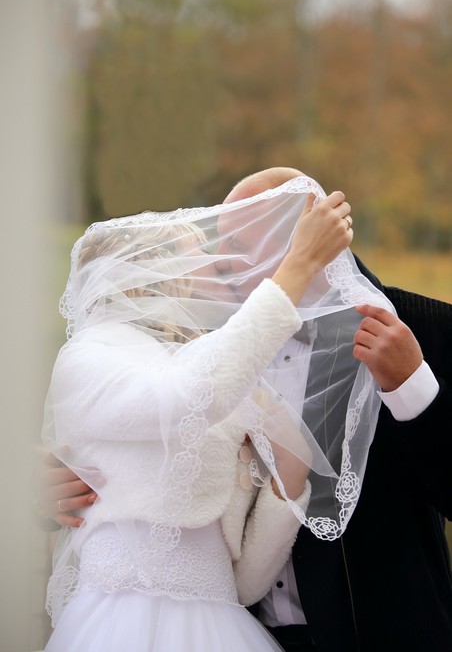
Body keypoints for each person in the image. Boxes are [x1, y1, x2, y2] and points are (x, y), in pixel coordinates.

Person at [39, 168, 452, 652]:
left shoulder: (422, 328)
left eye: (236, 242)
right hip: (241, 632)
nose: (221, 260)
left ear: (299, 236)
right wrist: (46, 485)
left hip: (378, 637)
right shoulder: (210, 347)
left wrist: (412, 385)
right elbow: (159, 446)